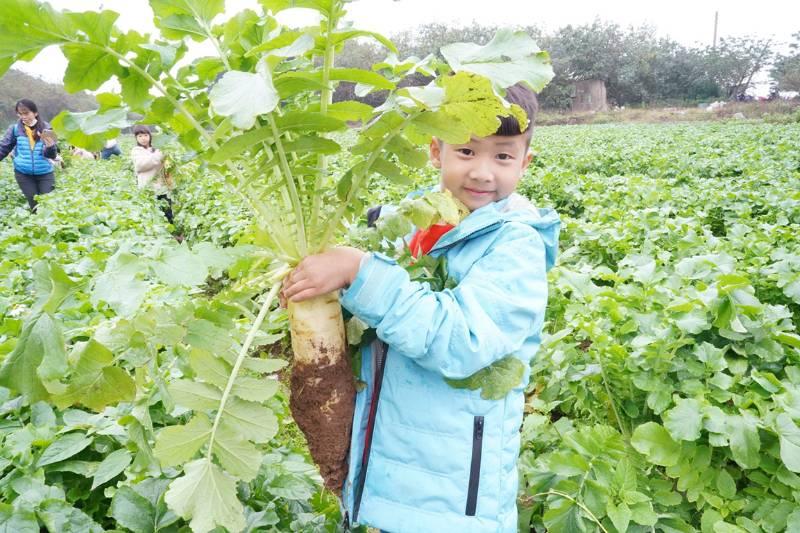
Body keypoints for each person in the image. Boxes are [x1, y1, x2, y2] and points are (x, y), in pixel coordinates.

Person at [282, 84, 560, 532]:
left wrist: (359, 271)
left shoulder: (516, 246)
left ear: (524, 163)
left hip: (453, 500)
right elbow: (380, 307)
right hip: (389, 470)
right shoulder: (409, 223)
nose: (484, 173)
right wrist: (321, 287)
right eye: (467, 151)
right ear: (436, 150)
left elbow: (461, 340)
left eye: (503, 157)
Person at [0, 99, 60, 211]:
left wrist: (50, 147)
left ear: (35, 113)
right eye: (20, 113)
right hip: (23, 173)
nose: (23, 116)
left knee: (48, 204)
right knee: (34, 204)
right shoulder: (14, 129)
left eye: (26, 113)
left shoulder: (47, 129)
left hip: (45, 173)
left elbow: (52, 155)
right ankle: (36, 226)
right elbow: (4, 148)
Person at [131, 125, 174, 223]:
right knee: (153, 214)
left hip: (162, 187)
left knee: (167, 212)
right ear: (136, 138)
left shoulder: (156, 149)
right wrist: (159, 154)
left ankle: (173, 234)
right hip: (148, 189)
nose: (143, 138)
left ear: (150, 136)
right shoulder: (136, 151)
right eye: (140, 136)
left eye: (145, 135)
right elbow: (141, 165)